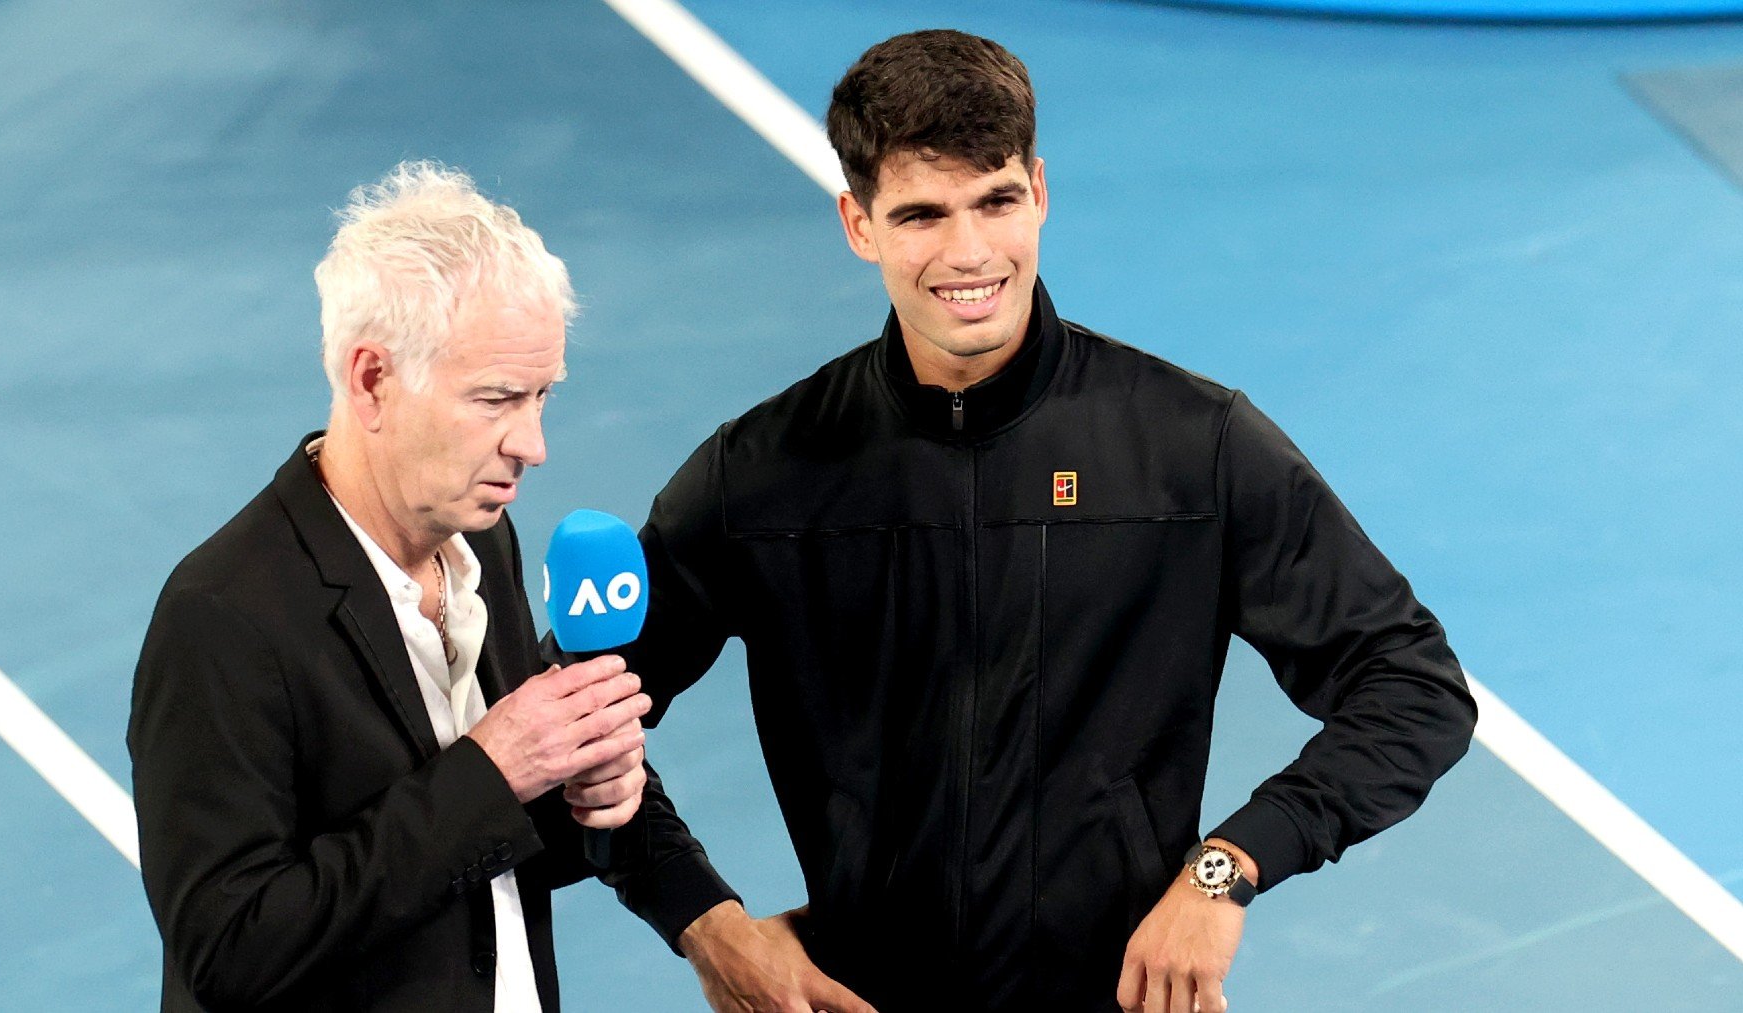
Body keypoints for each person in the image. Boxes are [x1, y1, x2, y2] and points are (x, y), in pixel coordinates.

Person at [585, 30, 1479, 1013]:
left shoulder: (1192, 446)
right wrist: (704, 922)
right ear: (858, 223)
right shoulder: (760, 477)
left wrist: (1226, 868)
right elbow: (563, 726)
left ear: (1040, 192)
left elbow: (1413, 688)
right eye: (922, 214)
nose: (969, 254)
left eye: (996, 202)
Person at [128, 161, 658, 1011]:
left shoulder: (488, 544)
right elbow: (227, 949)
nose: (533, 444)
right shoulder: (223, 616)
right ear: (372, 378)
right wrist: (492, 771)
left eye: (543, 395)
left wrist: (577, 802)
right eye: (496, 399)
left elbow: (482, 866)